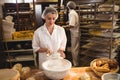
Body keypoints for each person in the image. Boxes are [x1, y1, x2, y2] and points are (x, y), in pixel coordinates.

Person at [66, 1, 80, 67]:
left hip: (75, 33)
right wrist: (68, 22)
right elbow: (73, 22)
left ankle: (75, 64)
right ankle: (75, 62)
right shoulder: (74, 12)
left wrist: (64, 27)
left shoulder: (71, 13)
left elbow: (72, 25)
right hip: (76, 33)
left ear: (68, 7)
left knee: (74, 49)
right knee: (75, 48)